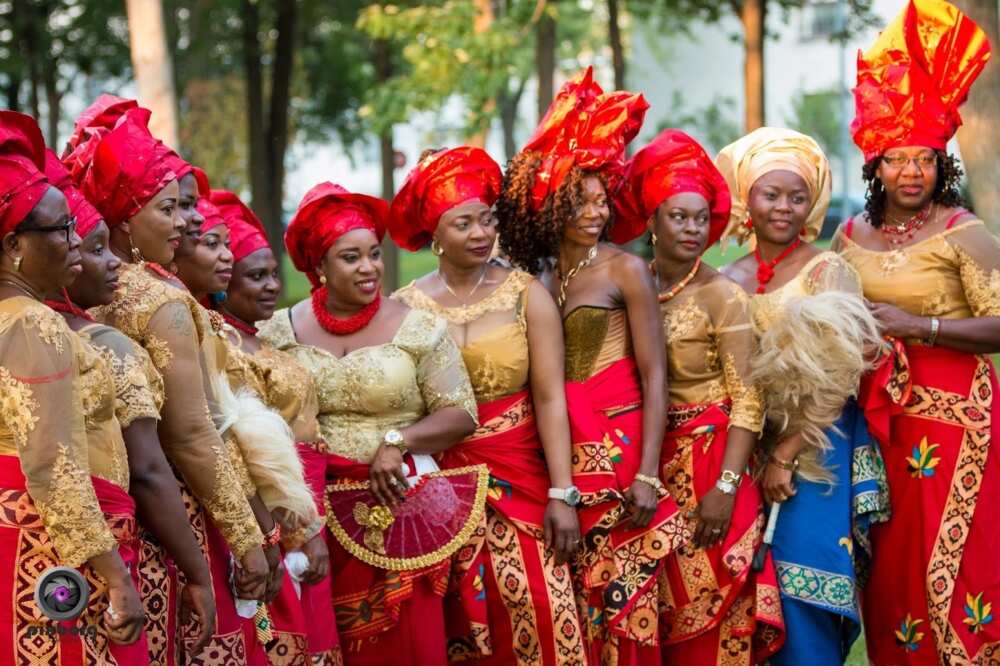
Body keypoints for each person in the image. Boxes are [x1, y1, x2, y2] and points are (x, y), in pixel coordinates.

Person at [495, 68, 688, 665]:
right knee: (569, 599)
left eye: (603, 198)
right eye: (581, 200)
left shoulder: (625, 270)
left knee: (624, 603)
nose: (596, 211)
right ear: (551, 202)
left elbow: (657, 374)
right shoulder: (536, 276)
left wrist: (650, 472)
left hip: (620, 447)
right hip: (551, 452)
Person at [65, 101, 270, 663]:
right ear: (126, 218)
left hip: (111, 514)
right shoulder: (158, 300)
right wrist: (249, 535)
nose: (184, 223)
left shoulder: (79, 290)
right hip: (180, 512)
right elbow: (195, 434)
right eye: (169, 209)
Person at [833, 1, 1000, 662]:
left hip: (959, 430)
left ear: (942, 165)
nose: (911, 173)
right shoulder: (848, 238)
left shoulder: (965, 232)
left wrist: (918, 324)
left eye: (924, 160)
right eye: (897, 159)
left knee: (958, 576)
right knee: (893, 576)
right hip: (878, 428)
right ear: (875, 164)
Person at [258, 182, 483, 666]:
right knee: (320, 641)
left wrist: (397, 441)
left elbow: (461, 412)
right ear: (319, 266)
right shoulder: (276, 333)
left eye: (374, 255)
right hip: (309, 515)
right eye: (350, 257)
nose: (369, 268)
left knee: (406, 644)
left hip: (398, 505)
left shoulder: (417, 326)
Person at [391, 146, 586, 665]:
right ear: (435, 233)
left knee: (541, 604)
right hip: (439, 478)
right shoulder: (404, 306)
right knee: (451, 617)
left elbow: (549, 397)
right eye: (463, 223)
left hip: (518, 473)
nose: (481, 234)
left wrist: (562, 492)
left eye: (487, 220)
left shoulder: (526, 294)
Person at [613, 128, 785, 663]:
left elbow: (749, 400)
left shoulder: (722, 296)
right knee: (655, 616)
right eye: (678, 216)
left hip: (712, 464)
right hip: (647, 465)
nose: (692, 228)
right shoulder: (630, 284)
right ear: (652, 222)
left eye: (699, 217)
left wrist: (728, 488)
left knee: (714, 622)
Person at [717, 127, 887, 666]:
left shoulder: (827, 269)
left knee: (801, 584)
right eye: (771, 195)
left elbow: (840, 375)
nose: (785, 208)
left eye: (797, 196)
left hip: (813, 451)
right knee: (743, 589)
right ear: (747, 198)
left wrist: (785, 456)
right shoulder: (725, 278)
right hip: (742, 451)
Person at [43, 148, 219, 661]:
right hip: (99, 557)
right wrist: (200, 571)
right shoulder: (100, 341)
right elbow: (150, 466)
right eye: (91, 247)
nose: (103, 260)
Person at [0, 110, 146, 662]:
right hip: (49, 551)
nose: (76, 243)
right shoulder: (33, 323)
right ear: (15, 246)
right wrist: (114, 577)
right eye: (63, 231)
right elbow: (54, 466)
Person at [213, 187, 340, 665]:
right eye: (255, 276)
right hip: (276, 516)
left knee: (313, 627)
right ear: (225, 281)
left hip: (307, 504)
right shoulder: (224, 347)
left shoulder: (257, 340)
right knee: (277, 634)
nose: (270, 285)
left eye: (273, 274)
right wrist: (298, 531)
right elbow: (251, 453)